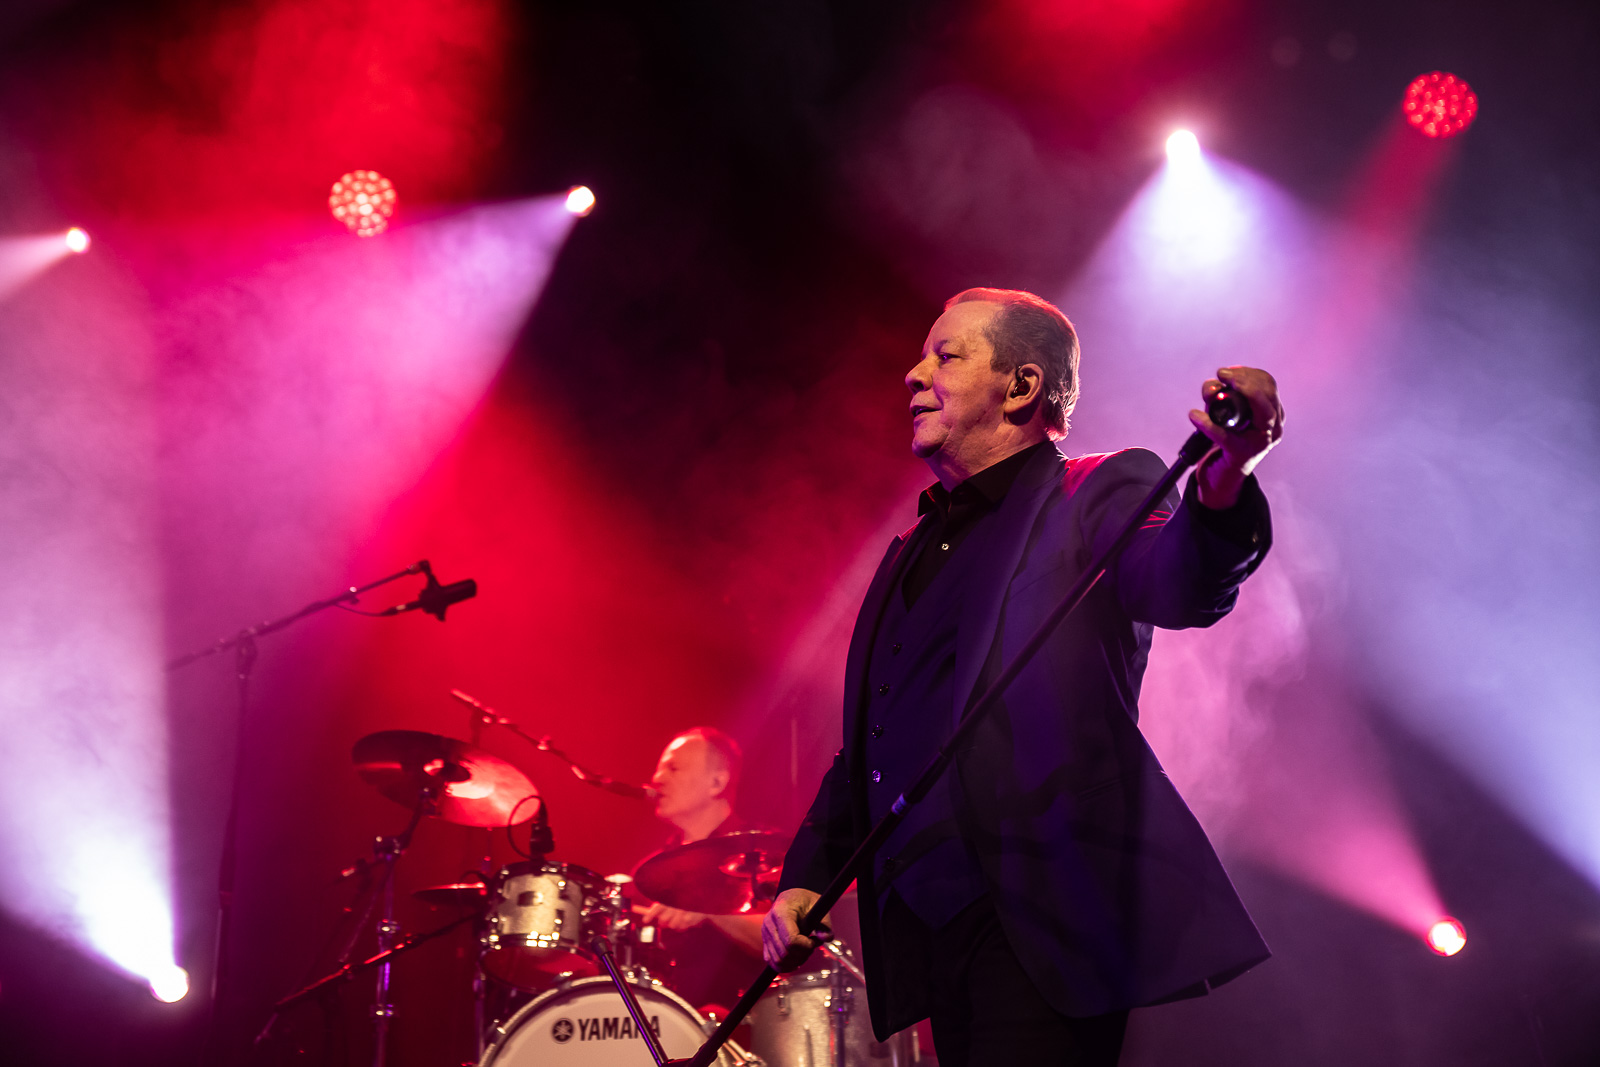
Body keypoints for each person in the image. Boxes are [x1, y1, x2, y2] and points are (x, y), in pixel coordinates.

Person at [760, 288, 1284, 1067]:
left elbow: (1179, 580)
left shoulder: (1097, 490)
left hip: (1047, 919)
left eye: (945, 355)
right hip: (933, 933)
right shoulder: (911, 550)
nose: (913, 374)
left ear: (1021, 385)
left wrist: (1227, 479)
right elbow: (878, 734)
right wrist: (808, 875)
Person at [635, 727, 767, 1013]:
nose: (657, 778)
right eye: (659, 769)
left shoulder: (765, 854)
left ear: (717, 783)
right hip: (663, 1025)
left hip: (746, 1026)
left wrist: (706, 907)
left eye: (673, 768)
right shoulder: (651, 872)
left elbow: (787, 939)